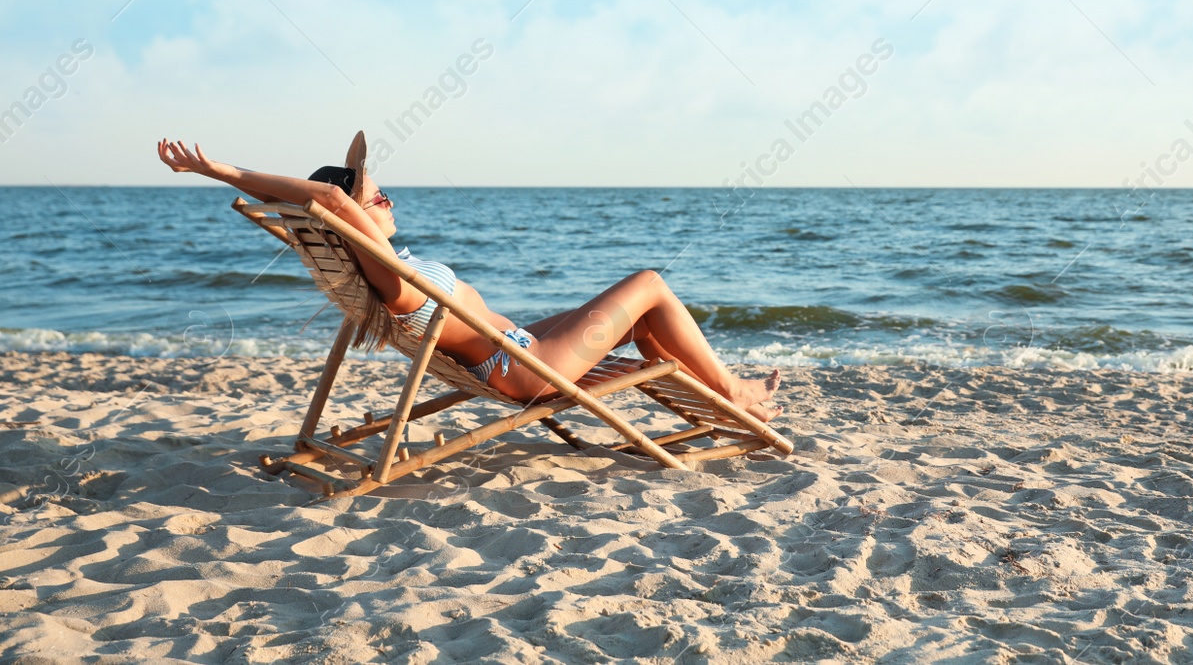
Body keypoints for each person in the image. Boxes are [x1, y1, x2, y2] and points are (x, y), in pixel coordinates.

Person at [155, 134, 781, 420]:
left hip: (521, 350)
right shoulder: (395, 282)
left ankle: (721, 387)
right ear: (353, 210)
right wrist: (223, 170)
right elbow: (331, 197)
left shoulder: (386, 277)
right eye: (379, 196)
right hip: (524, 368)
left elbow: (337, 204)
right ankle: (735, 391)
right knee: (648, 281)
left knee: (641, 318)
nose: (389, 201)